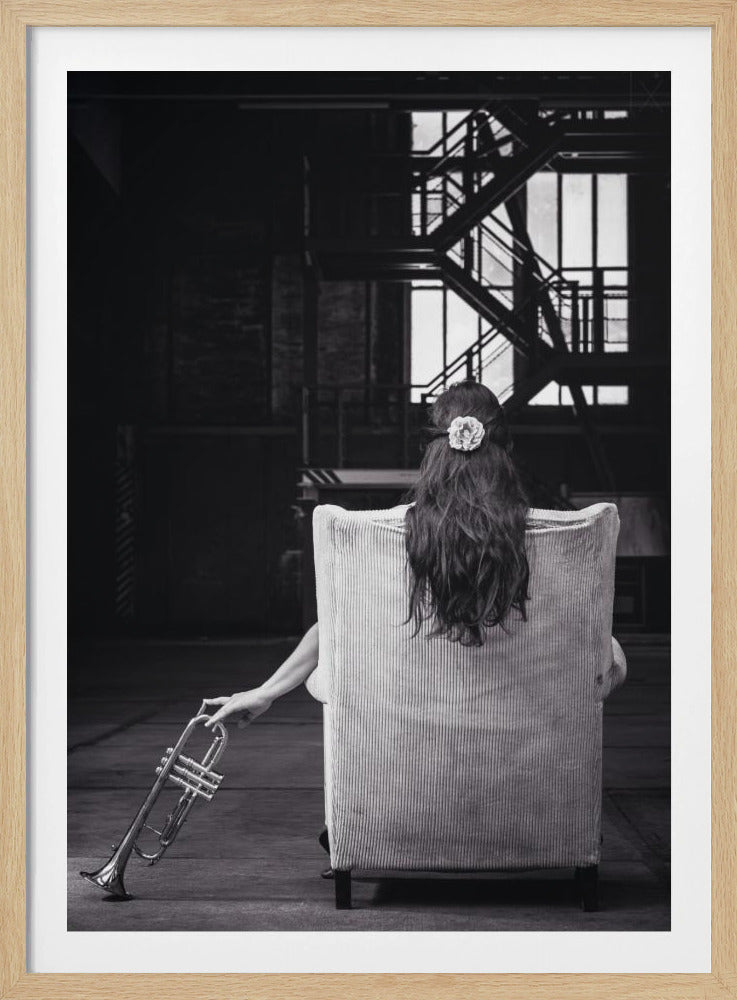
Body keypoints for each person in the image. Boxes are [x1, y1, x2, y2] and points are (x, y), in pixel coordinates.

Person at [204, 379, 624, 728]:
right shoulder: (562, 534)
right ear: (507, 450)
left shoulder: (379, 533)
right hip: (536, 769)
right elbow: (604, 666)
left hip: (398, 768)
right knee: (607, 646)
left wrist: (265, 692)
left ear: (431, 450)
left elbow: (335, 625)